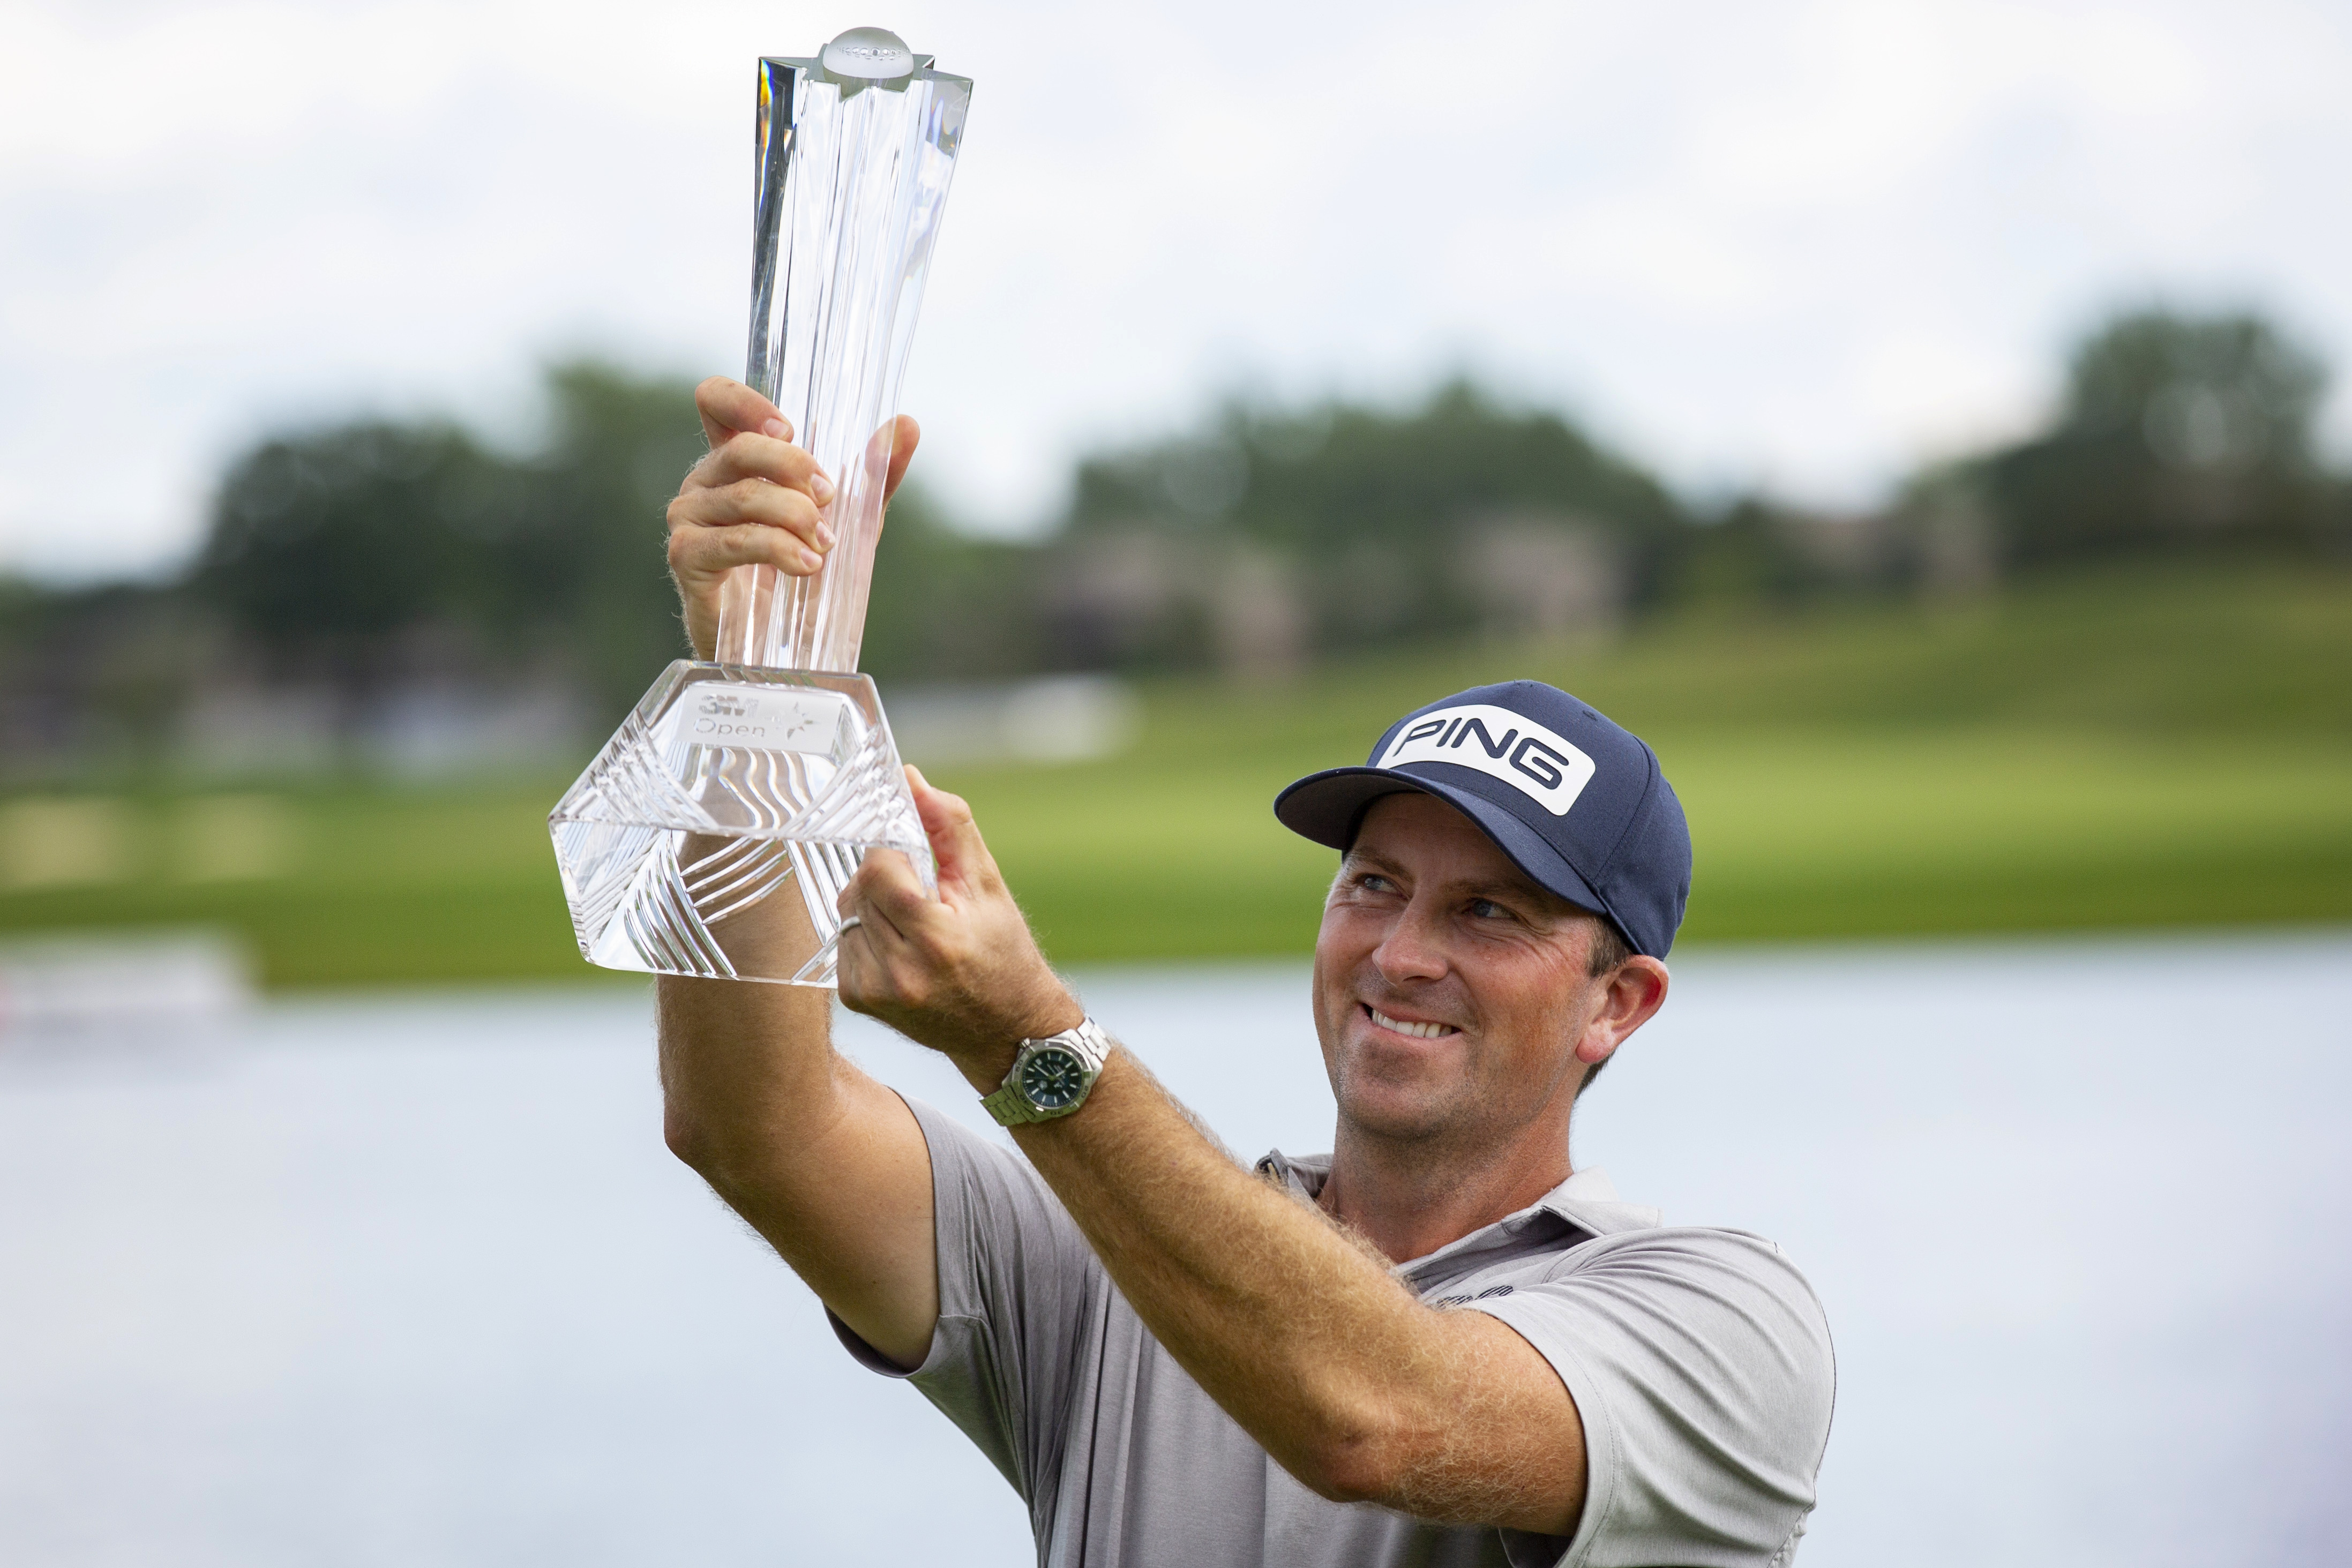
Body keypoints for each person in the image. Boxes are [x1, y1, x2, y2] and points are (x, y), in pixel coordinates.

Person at [657, 378, 1837, 1567]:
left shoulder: (1722, 1319)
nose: (1401, 953)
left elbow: (1376, 1419)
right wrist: (760, 695)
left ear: (1615, 1005)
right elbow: (751, 1123)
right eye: (1372, 884)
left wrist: (1025, 1038)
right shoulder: (1126, 1248)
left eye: (1487, 912)